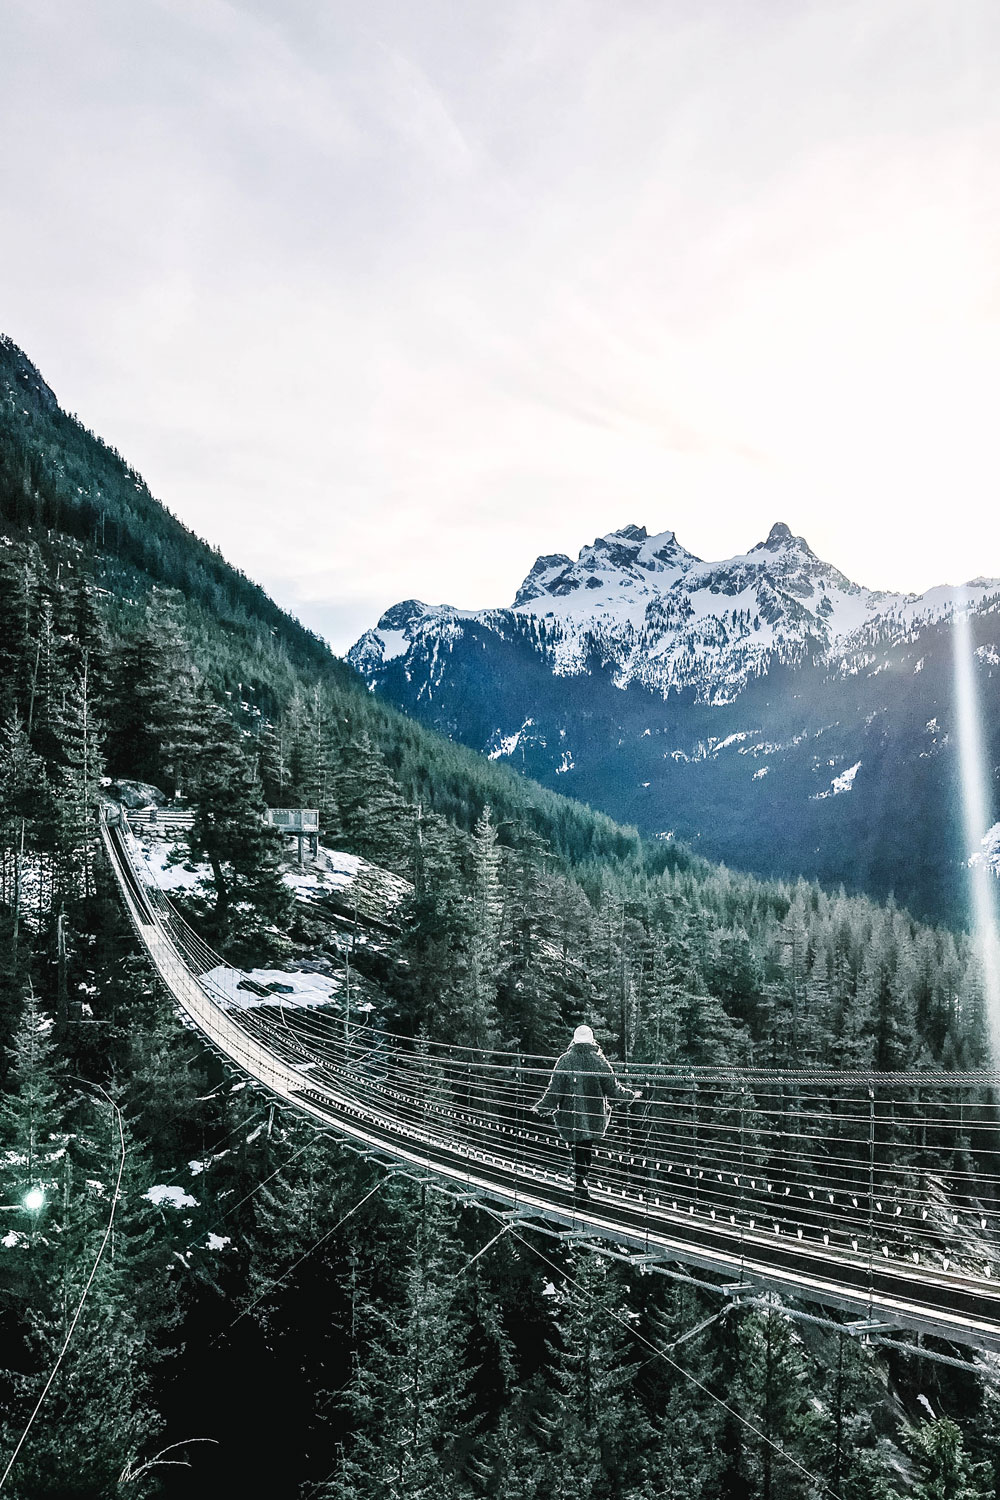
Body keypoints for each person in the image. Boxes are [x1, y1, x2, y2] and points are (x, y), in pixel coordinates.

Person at [533, 1024, 640, 1201]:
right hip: (593, 1116)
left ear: (574, 1041)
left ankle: (579, 1180)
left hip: (571, 1116)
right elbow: (613, 1088)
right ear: (592, 1040)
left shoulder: (565, 1060)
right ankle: (582, 1180)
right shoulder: (598, 1060)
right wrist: (630, 1095)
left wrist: (541, 1107)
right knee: (586, 1146)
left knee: (576, 1146)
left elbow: (554, 1090)